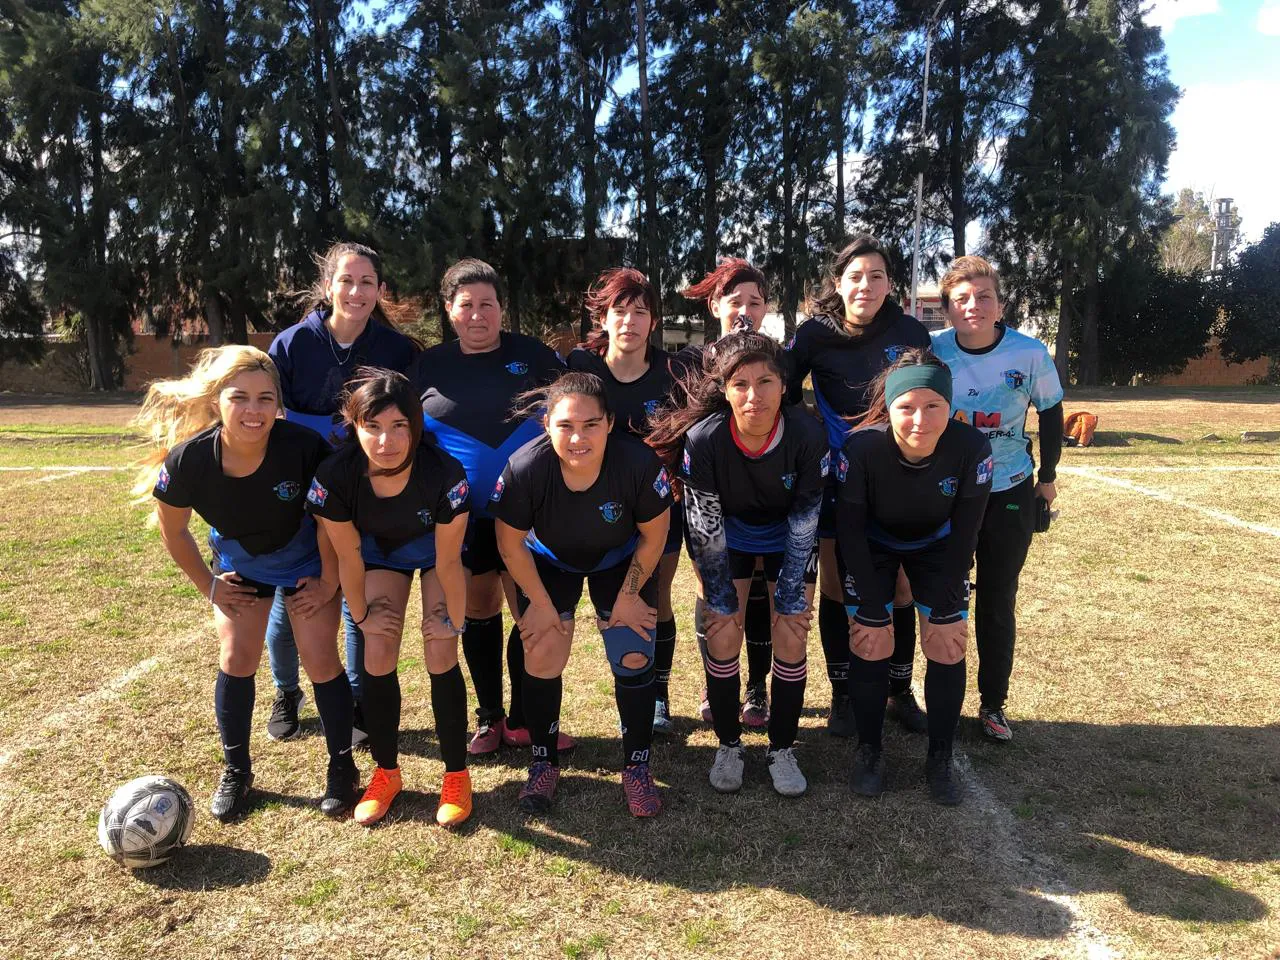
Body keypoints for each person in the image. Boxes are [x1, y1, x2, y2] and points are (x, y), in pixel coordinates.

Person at [132, 346, 357, 821]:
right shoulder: (189, 460)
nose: (254, 411)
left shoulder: (303, 447)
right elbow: (173, 532)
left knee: (320, 659)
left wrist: (327, 581)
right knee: (236, 658)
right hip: (242, 564)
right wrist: (210, 586)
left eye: (265, 398)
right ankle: (237, 771)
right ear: (217, 401)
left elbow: (330, 523)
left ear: (279, 403)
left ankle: (342, 768)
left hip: (306, 561)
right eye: (240, 398)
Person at [648, 333, 826, 796]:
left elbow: (807, 518)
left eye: (765, 381)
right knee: (723, 629)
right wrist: (723, 601)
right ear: (724, 390)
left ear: (784, 385)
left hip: (789, 535)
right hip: (729, 538)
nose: (754, 395)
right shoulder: (703, 439)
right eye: (741, 383)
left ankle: (781, 748)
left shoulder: (806, 432)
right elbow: (703, 526)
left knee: (791, 628)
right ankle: (729, 744)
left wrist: (790, 596)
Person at [409, 259, 572, 756]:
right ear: (449, 310)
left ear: (501, 308)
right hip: (462, 520)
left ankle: (524, 719)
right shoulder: (427, 366)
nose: (478, 315)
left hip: (529, 516)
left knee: (528, 609)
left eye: (488, 304)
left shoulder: (538, 357)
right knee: (478, 609)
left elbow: (571, 416)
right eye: (466, 305)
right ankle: (489, 718)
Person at [492, 372, 672, 817]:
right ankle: (543, 762)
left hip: (619, 558)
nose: (578, 438)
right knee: (544, 645)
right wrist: (538, 602)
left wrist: (631, 594)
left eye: (590, 425)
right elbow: (509, 543)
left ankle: (636, 766)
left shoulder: (638, 463)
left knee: (632, 649)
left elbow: (655, 536)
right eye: (565, 426)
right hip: (548, 561)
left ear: (610, 423)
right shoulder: (525, 467)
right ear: (547, 425)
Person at [264, 241, 419, 745]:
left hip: (365, 493)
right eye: (347, 281)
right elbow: (268, 417)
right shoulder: (290, 345)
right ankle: (287, 691)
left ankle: (357, 700)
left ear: (379, 290)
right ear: (328, 286)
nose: (356, 291)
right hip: (297, 491)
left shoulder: (396, 350)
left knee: (359, 596)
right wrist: (327, 430)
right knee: (297, 599)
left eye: (367, 282)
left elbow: (411, 419)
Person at [306, 369, 473, 827]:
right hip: (379, 554)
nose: (386, 441)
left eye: (399, 426)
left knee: (440, 648)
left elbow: (449, 561)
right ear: (354, 426)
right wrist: (360, 615)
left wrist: (454, 620)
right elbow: (348, 554)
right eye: (372, 427)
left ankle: (456, 774)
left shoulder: (444, 472)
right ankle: (386, 771)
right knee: (378, 650)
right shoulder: (336, 474)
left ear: (416, 428)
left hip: (436, 556)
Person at [785, 235, 932, 740]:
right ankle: (843, 693)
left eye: (876, 276)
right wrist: (811, 435)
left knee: (900, 586)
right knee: (833, 585)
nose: (865, 285)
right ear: (838, 283)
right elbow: (782, 391)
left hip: (898, 477)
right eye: (855, 276)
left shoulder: (910, 331)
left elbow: (926, 397)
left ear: (890, 283)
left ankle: (899, 689)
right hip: (834, 479)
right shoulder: (813, 335)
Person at [835, 349, 992, 805]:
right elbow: (849, 528)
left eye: (933, 407)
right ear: (889, 408)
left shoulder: (971, 448)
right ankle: (870, 751)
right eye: (906, 407)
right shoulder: (861, 447)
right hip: (873, 544)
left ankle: (940, 756)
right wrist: (868, 602)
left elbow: (967, 530)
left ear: (950, 406)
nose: (919, 420)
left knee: (946, 641)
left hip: (938, 545)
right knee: (871, 639)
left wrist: (947, 599)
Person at [930, 256, 1063, 742]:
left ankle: (993, 703)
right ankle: (938, 694)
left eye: (984, 296)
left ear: (1000, 304)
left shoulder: (1029, 354)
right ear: (947, 308)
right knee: (944, 593)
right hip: (950, 492)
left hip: (1009, 487)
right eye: (962, 299)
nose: (974, 306)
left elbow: (1051, 414)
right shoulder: (933, 349)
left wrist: (1046, 478)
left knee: (997, 598)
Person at [567, 267, 683, 734]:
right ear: (603, 316)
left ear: (653, 321)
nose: (630, 321)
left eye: (640, 312)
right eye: (620, 311)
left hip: (659, 505)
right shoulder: (581, 367)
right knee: (613, 603)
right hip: (596, 508)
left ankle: (658, 693)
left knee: (657, 597)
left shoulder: (675, 370)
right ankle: (630, 681)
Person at [678, 258, 777, 730]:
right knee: (711, 584)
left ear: (767, 308)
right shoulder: (694, 361)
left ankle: (758, 685)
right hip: (709, 488)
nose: (745, 309)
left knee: (759, 587)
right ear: (715, 304)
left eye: (755, 302)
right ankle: (716, 679)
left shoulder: (778, 355)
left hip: (764, 490)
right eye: (734, 300)